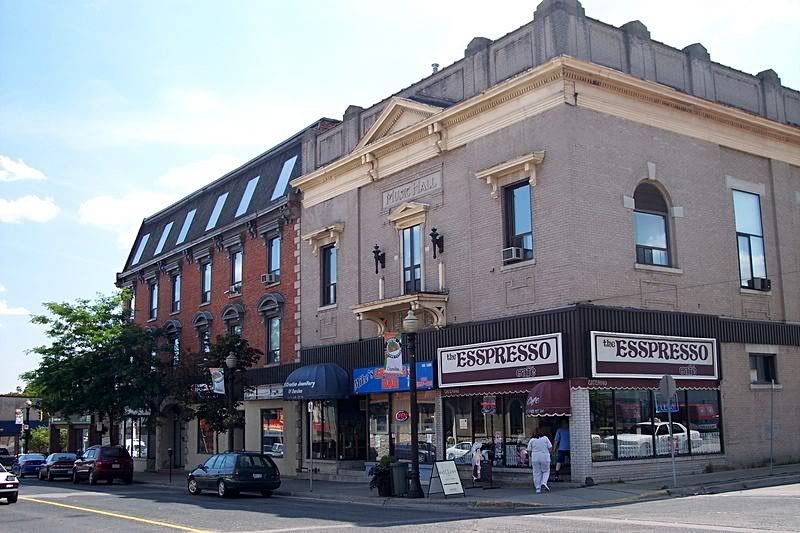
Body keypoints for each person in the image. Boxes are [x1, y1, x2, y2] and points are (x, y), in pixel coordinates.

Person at [526, 429, 552, 493]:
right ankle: (544, 483)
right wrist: (549, 453)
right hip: (545, 457)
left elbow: (529, 450)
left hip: (535, 458)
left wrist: (531, 456)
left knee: (536, 473)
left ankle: (538, 488)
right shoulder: (545, 438)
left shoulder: (532, 440)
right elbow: (550, 448)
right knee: (546, 471)